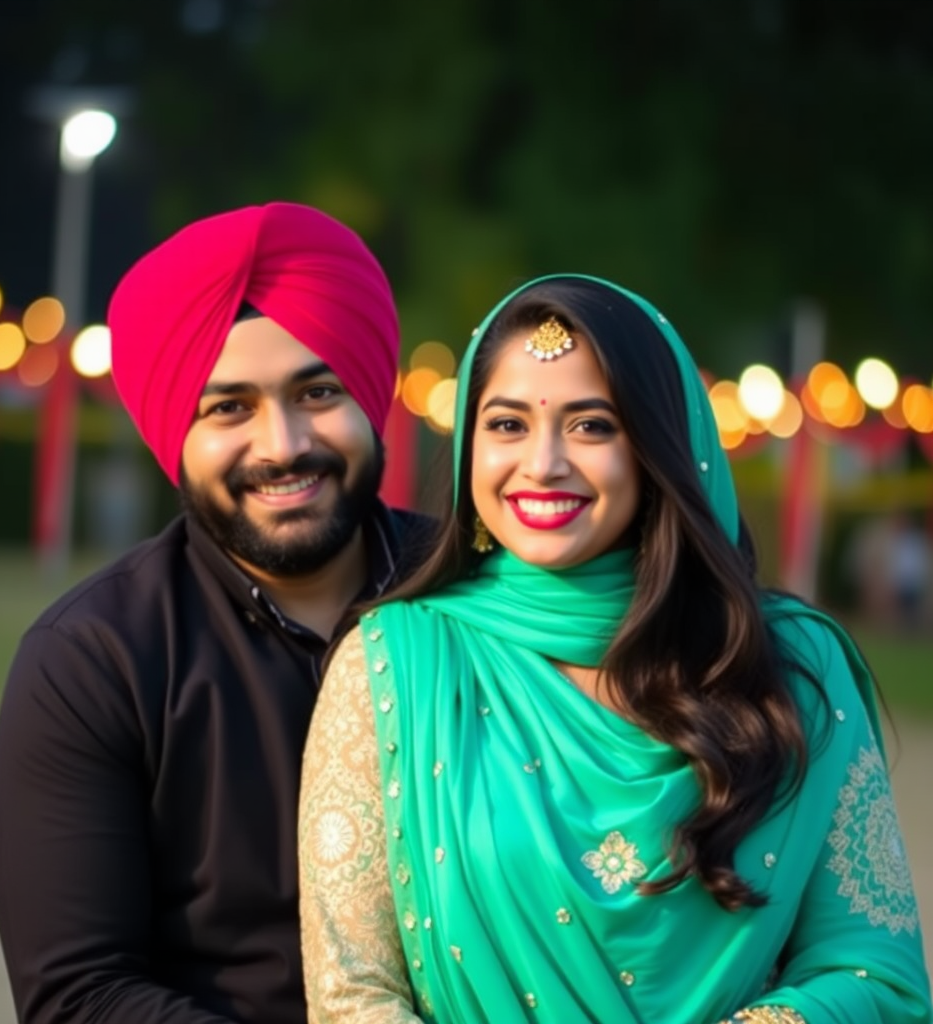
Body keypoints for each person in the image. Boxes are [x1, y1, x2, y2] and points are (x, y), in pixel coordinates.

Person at [298, 274, 933, 1024]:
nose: (543, 464)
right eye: (506, 425)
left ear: (660, 446)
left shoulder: (791, 666)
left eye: (592, 425)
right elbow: (353, 993)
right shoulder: (393, 665)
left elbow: (874, 973)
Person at [0, 201, 434, 1024]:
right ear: (173, 432)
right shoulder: (94, 659)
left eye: (318, 390)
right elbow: (78, 996)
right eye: (229, 408)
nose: (283, 444)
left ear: (371, 394)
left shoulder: (481, 600)